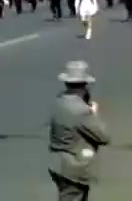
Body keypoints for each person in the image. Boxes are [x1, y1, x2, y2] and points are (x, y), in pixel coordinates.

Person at [48, 61, 110, 201]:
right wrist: (93, 114)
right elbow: (104, 137)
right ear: (84, 85)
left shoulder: (58, 102)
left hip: (57, 163)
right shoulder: (81, 111)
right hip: (73, 169)